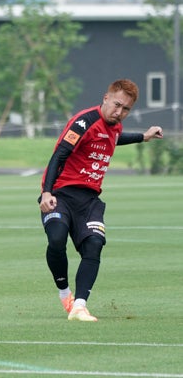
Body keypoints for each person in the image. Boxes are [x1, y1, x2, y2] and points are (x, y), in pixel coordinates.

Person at [38, 78, 163, 322]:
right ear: (106, 98)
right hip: (61, 193)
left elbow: (116, 137)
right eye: (116, 105)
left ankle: (80, 307)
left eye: (126, 109)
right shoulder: (84, 122)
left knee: (95, 244)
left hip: (89, 200)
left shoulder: (114, 126)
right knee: (56, 239)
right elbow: (59, 155)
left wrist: (143, 136)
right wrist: (47, 192)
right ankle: (65, 295)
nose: (119, 112)